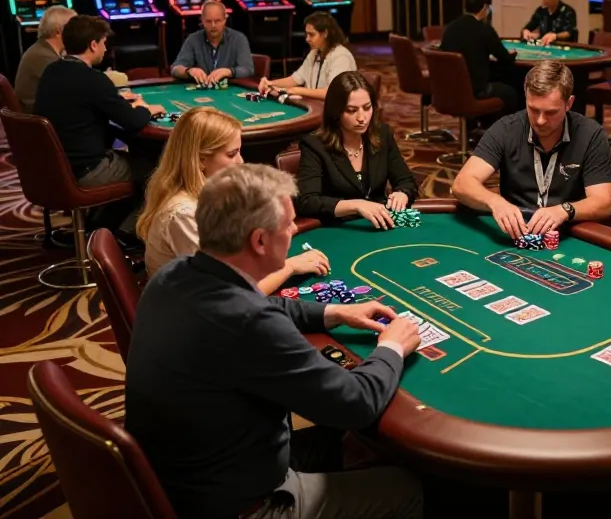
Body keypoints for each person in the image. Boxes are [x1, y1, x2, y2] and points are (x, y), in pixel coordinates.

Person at [126, 163, 423, 519]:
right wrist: (391, 346)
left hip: (184, 471)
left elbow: (264, 302)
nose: (295, 230)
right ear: (259, 240)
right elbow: (356, 404)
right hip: (240, 504)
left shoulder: (173, 276)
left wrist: (334, 313)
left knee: (343, 441)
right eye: (288, 224)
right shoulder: (249, 323)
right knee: (411, 487)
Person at [136, 106, 330, 286]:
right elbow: (231, 291)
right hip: (187, 318)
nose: (241, 161)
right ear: (201, 159)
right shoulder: (184, 213)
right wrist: (290, 266)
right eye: (232, 154)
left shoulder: (209, 192)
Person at [452, 61, 611, 238]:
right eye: (534, 110)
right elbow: (462, 183)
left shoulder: (590, 134)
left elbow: (603, 203)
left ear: (569, 103)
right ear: (526, 97)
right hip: (516, 232)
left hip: (569, 233)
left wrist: (563, 210)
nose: (541, 120)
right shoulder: (506, 129)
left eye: (551, 112)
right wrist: (495, 202)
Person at [34, 15, 164, 233]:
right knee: (158, 171)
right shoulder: (92, 78)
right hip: (85, 171)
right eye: (103, 43)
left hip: (52, 168)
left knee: (135, 162)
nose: (105, 49)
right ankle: (125, 232)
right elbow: (133, 122)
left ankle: (101, 226)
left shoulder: (51, 71)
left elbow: (85, 104)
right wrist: (146, 108)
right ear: (93, 45)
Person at [296, 71, 418, 228]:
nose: (362, 117)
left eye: (367, 108)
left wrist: (403, 193)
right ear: (336, 112)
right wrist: (356, 205)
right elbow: (306, 201)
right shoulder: (315, 145)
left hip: (380, 228)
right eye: (352, 110)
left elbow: (406, 181)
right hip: (338, 230)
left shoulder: (383, 134)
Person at [439, 0, 518, 115]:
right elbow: (504, 58)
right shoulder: (484, 29)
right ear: (484, 8)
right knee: (512, 92)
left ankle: (477, 126)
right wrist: (513, 54)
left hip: (449, 90)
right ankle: (504, 133)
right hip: (475, 91)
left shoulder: (450, 28)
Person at [258, 11, 356, 102]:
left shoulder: (341, 57)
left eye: (311, 35)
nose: (307, 39)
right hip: (316, 106)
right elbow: (295, 79)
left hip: (334, 113)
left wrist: (296, 90)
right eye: (307, 34)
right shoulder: (314, 53)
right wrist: (270, 83)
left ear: (325, 34)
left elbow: (332, 93)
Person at [170, 0, 254, 83]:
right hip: (201, 93)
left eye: (217, 21)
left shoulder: (239, 39)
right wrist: (189, 71)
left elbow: (248, 69)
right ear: (202, 20)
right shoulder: (193, 39)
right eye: (208, 21)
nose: (213, 25)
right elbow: (175, 68)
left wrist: (229, 72)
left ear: (225, 20)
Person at [14, 5, 75, 113]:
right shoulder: (42, 55)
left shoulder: (45, 50)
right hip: (38, 120)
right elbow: (73, 88)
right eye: (74, 28)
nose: (77, 33)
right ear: (58, 31)